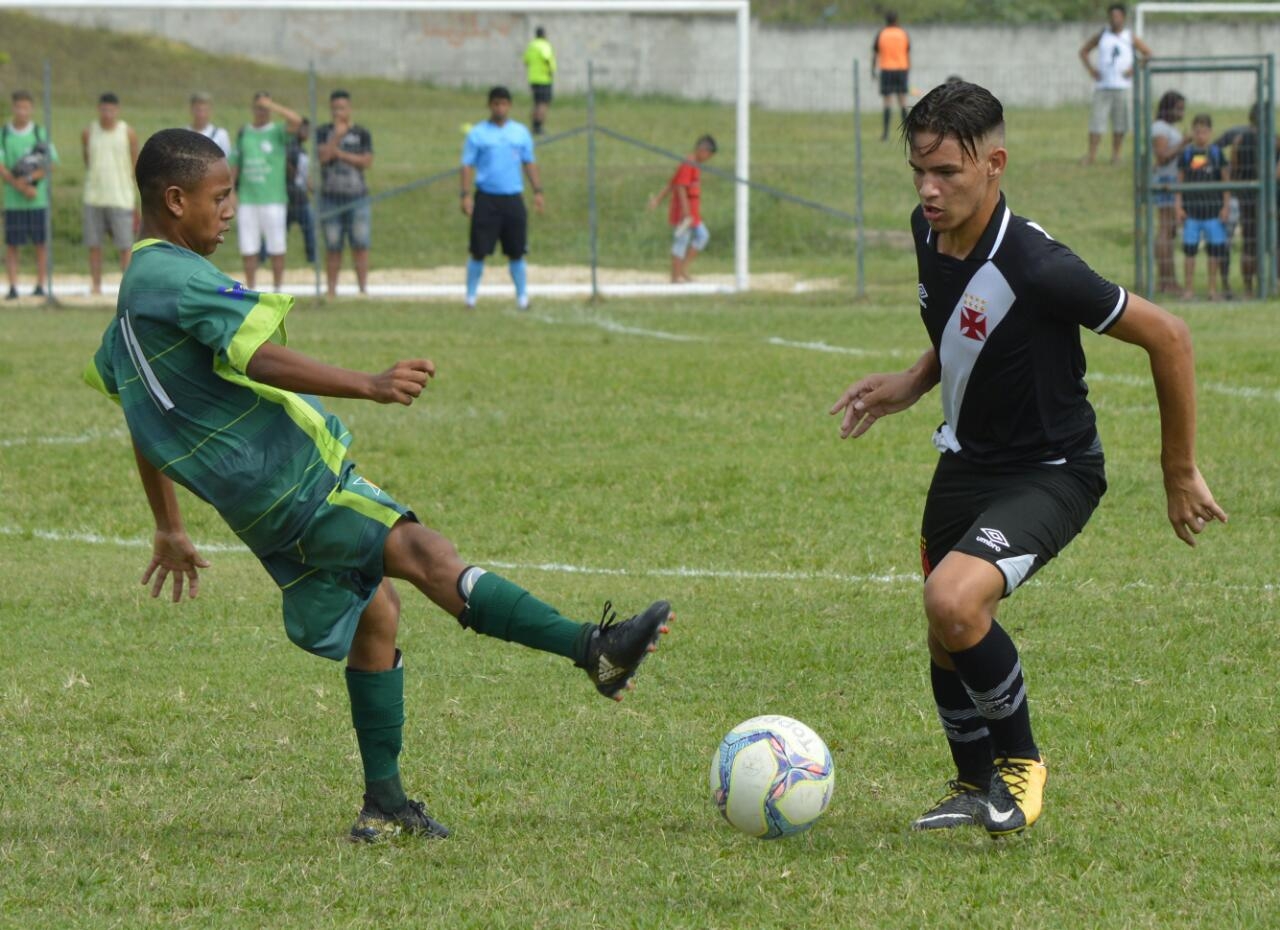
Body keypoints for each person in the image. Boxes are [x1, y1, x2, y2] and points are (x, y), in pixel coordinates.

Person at [83, 128, 673, 843]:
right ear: (175, 201)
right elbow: (259, 356)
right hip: (295, 484)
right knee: (426, 554)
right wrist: (368, 383)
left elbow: (141, 415)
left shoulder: (131, 300)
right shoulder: (178, 279)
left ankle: (384, 804)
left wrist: (169, 524)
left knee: (377, 614)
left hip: (258, 510)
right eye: (221, 196)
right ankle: (593, 649)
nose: (231, 210)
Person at [829, 81, 1225, 839]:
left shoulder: (1040, 264)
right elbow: (965, 326)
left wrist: (1178, 470)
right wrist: (912, 382)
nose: (928, 188)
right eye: (919, 169)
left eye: (946, 171)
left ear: (995, 163)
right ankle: (973, 786)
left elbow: (1170, 336)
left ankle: (1021, 765)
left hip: (1053, 469)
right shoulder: (927, 229)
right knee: (943, 625)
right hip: (966, 462)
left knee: (954, 601)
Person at [460, 86, 543, 311]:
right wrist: (466, 194)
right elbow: (467, 165)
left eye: (504, 104)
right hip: (487, 198)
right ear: (489, 106)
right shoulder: (478, 134)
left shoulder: (520, 133)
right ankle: (470, 298)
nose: (500, 108)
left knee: (516, 251)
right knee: (478, 250)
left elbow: (529, 162)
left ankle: (522, 297)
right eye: (496, 104)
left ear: (510, 106)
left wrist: (538, 190)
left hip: (512, 197)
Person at [229, 91, 302, 290]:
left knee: (276, 246)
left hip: (273, 199)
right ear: (252, 109)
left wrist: (273, 105)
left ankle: (278, 287)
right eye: (258, 107)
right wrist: (231, 192)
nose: (261, 112)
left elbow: (297, 121)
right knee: (248, 247)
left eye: (264, 108)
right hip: (248, 199)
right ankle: (251, 287)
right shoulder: (245, 133)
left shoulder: (277, 132)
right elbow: (234, 164)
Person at [1, 89, 58, 300]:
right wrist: (19, 186)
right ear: (13, 108)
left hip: (37, 199)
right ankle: (13, 286)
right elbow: (2, 165)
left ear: (31, 109)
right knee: (12, 245)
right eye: (18, 107)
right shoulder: (5, 133)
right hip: (13, 201)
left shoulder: (39, 134)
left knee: (40, 243)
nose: (22, 111)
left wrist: (29, 182)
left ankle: (40, 284)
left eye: (26, 107)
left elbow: (49, 163)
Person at [81, 92, 140, 296]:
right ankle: (96, 285)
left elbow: (134, 163)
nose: (107, 113)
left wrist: (133, 197)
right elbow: (87, 160)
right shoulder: (89, 132)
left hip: (121, 197)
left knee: (125, 246)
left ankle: (126, 287)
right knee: (94, 245)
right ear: (98, 109)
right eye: (104, 109)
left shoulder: (128, 132)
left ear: (117, 110)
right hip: (94, 197)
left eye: (111, 109)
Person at [1079, 3, 1152, 165]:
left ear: (1124, 18)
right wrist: (1091, 70)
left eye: (1118, 16)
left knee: (1120, 123)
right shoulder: (1102, 35)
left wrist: (1133, 69)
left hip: (1122, 87)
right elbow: (1084, 51)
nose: (1115, 19)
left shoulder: (1129, 36)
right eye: (1112, 16)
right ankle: (1091, 155)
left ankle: (1116, 155)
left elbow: (1147, 53)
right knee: (1096, 122)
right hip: (1103, 86)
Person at [316, 90, 373, 297]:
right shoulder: (323, 132)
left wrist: (339, 153)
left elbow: (366, 161)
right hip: (331, 196)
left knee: (360, 243)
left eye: (342, 108)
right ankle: (331, 290)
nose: (338, 112)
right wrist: (338, 136)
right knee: (333, 245)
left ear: (349, 109)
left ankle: (363, 288)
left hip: (357, 196)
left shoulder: (361, 133)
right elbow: (322, 157)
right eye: (335, 108)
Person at [1175, 113, 1231, 301]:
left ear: (1210, 132)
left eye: (1204, 131)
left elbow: (1225, 182)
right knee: (1190, 252)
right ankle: (1189, 289)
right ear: (1193, 132)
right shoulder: (1187, 154)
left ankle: (1212, 290)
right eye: (1197, 131)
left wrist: (1225, 207)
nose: (1201, 135)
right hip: (1192, 213)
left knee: (1214, 253)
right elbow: (1179, 182)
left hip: (1213, 213)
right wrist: (1178, 207)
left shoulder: (1216, 153)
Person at [648, 135, 717, 283]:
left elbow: (671, 183)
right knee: (681, 241)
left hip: (693, 213)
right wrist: (686, 212)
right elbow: (680, 187)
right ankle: (675, 277)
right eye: (708, 155)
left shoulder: (695, 165)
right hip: (684, 212)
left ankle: (683, 270)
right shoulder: (689, 163)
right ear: (702, 150)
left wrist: (657, 200)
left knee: (702, 236)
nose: (708, 158)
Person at [1215, 103, 1264, 297]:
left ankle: (1246, 288)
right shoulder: (1270, 139)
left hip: (1240, 194)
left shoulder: (1239, 137)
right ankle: (1251, 288)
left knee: (1245, 244)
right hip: (1248, 198)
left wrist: (1227, 170)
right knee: (1251, 244)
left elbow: (1216, 150)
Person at [1150, 90, 1188, 294]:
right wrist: (1184, 144)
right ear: (1169, 108)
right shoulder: (1159, 128)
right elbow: (1162, 156)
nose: (1182, 113)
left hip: (1173, 181)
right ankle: (1166, 281)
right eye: (1179, 108)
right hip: (1166, 181)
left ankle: (1168, 280)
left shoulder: (1168, 128)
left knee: (1169, 231)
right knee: (1165, 230)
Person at [872, 11, 911, 143]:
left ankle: (886, 134)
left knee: (887, 102)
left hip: (887, 70)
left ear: (886, 21)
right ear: (896, 20)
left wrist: (873, 70)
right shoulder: (903, 34)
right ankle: (907, 133)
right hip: (901, 69)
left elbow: (875, 53)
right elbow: (907, 52)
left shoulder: (881, 34)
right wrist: (907, 70)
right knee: (903, 102)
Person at [523, 26, 557, 136]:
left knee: (537, 103)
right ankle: (538, 126)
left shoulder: (531, 45)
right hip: (544, 79)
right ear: (544, 34)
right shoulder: (544, 45)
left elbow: (526, 61)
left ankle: (534, 125)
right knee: (544, 103)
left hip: (533, 79)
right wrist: (551, 71)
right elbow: (546, 58)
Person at [188, 92, 231, 156]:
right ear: (191, 110)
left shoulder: (221, 135)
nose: (201, 115)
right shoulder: (183, 133)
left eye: (205, 110)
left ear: (210, 111)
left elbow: (227, 160)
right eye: (198, 110)